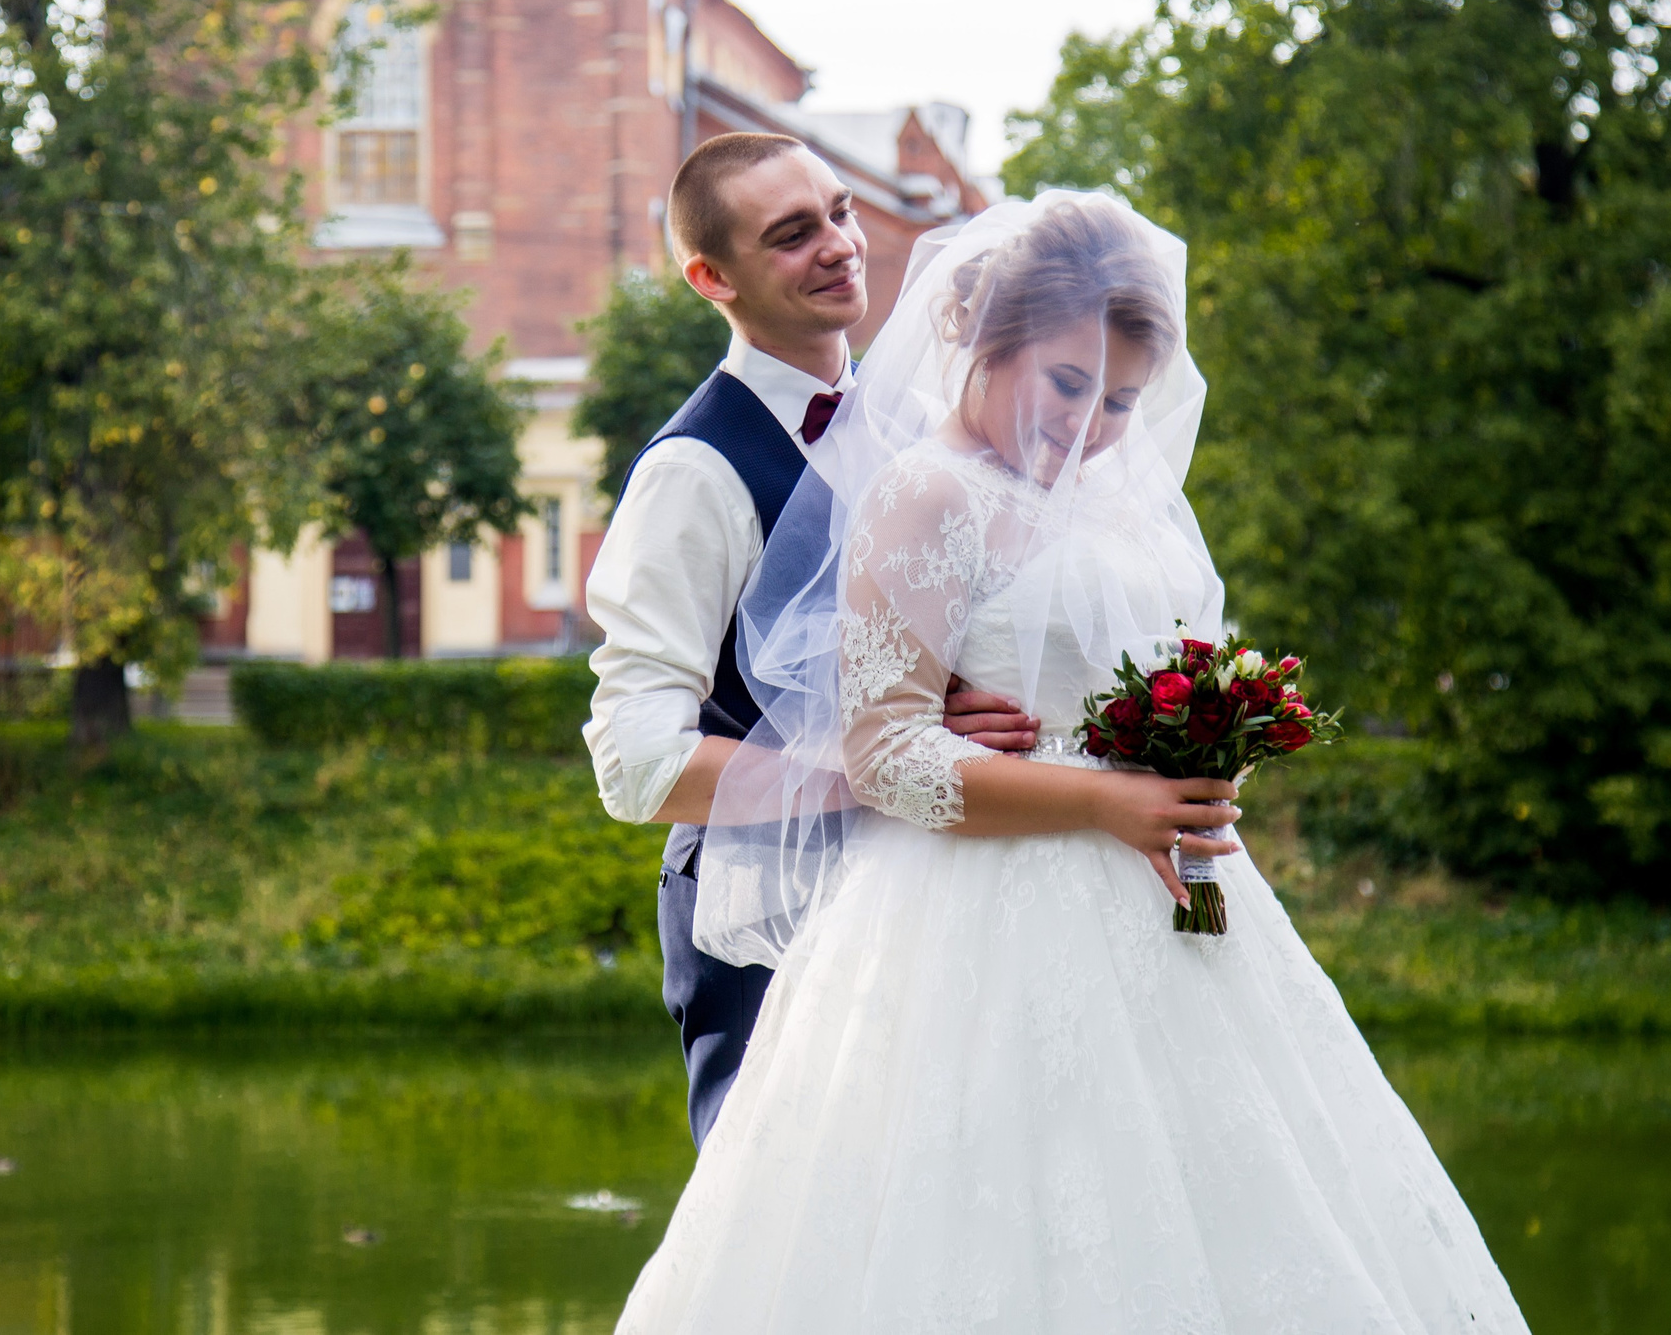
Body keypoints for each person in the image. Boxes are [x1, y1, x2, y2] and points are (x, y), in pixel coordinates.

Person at [614, 193, 1528, 1332]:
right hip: (966, 923)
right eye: (1065, 383)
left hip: (1169, 904)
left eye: (1122, 399)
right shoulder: (927, 492)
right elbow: (886, 753)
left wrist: (1202, 752)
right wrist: (1105, 799)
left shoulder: (1116, 495)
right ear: (983, 340)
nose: (1091, 422)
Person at [585, 133, 1103, 1147]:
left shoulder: (918, 422)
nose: (837, 246)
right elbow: (635, 763)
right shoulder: (690, 473)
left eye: (840, 213)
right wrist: (869, 767)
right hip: (760, 918)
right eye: (791, 235)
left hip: (937, 898)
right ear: (710, 276)